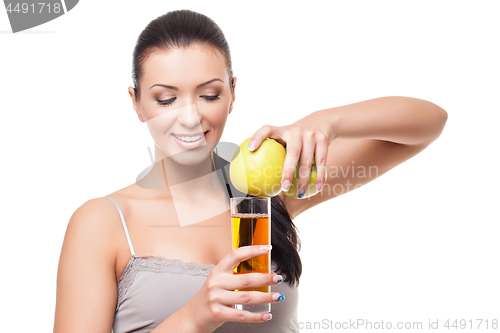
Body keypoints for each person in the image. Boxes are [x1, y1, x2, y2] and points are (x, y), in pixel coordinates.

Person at [53, 9, 448, 333]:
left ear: (232, 93)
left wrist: (327, 121)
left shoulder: (264, 193)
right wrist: (194, 317)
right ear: (137, 103)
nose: (190, 117)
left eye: (209, 94)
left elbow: (425, 125)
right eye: (166, 98)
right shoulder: (103, 223)